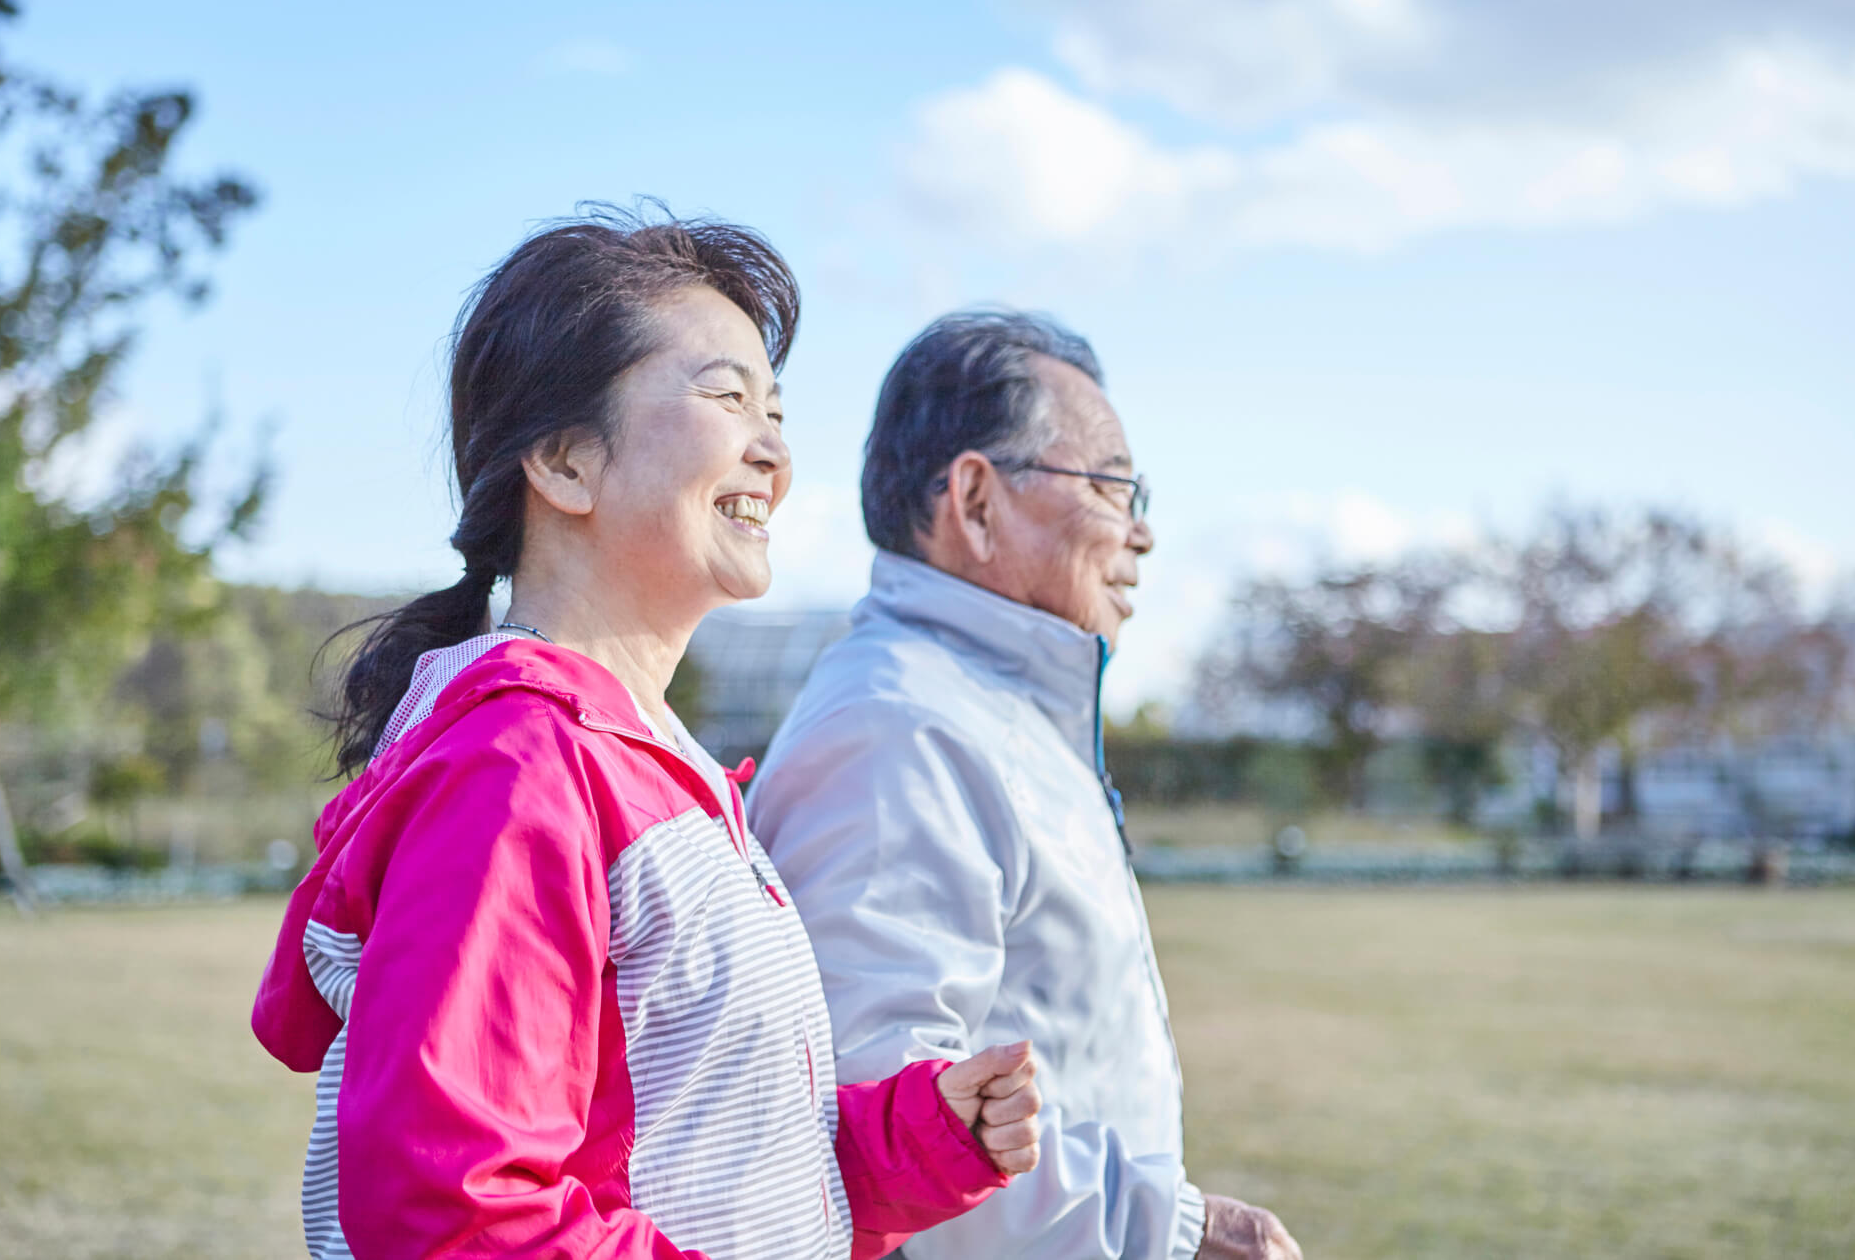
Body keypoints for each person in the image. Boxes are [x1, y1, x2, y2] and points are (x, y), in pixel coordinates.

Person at [251, 213, 1043, 1260]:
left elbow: (727, 1167)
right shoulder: (518, 770)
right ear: (565, 460)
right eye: (724, 396)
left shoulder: (657, 772)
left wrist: (922, 1138)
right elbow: (455, 1214)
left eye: (774, 409)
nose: (773, 449)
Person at [747, 311, 1304, 1260]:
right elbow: (876, 1120)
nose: (1143, 532)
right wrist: (1171, 1229)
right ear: (974, 499)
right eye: (1114, 483)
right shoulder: (901, 730)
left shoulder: (981, 714)